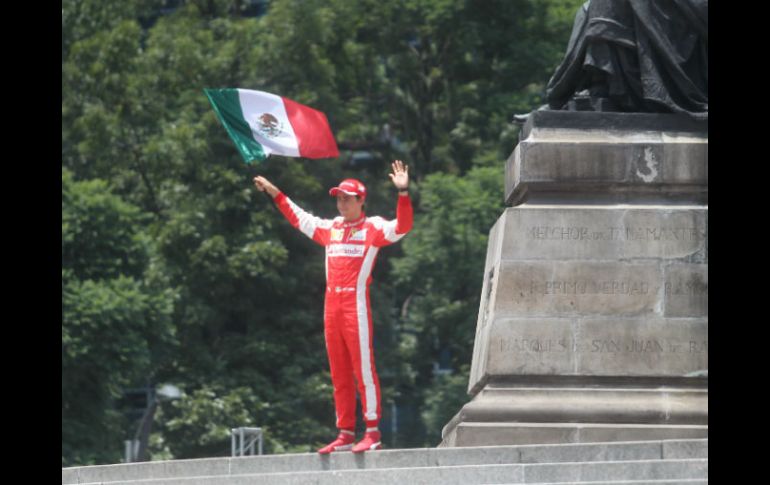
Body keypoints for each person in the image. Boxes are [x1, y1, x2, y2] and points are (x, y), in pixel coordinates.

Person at [253, 160, 412, 453]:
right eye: (338, 198)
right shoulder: (332, 228)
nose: (341, 204)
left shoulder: (373, 227)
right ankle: (345, 433)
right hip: (331, 307)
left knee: (363, 370)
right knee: (338, 373)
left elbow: (403, 226)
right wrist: (275, 193)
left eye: (347, 199)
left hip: (356, 306)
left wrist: (403, 193)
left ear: (361, 201)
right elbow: (299, 218)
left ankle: (373, 432)